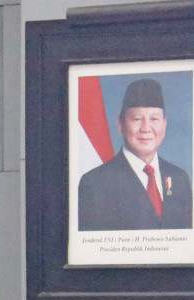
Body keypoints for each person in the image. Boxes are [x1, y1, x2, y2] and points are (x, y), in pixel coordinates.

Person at [78, 78, 193, 231]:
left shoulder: (179, 179)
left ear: (164, 125)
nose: (146, 128)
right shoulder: (95, 184)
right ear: (120, 125)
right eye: (137, 119)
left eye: (154, 119)